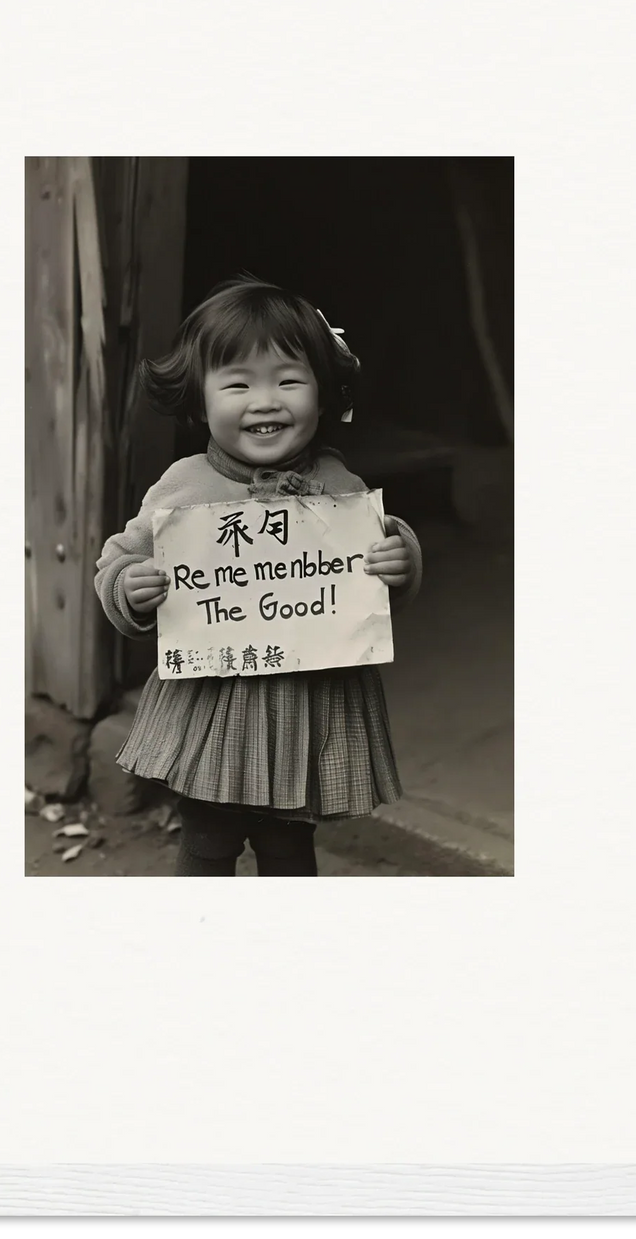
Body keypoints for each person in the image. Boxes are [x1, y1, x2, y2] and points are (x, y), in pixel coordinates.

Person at [94, 273, 424, 876]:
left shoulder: (340, 488)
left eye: (289, 381)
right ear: (199, 400)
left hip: (308, 708)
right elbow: (118, 558)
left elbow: (368, 583)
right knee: (208, 839)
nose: (265, 400)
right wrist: (129, 587)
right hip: (215, 707)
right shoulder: (183, 486)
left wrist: (397, 559)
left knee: (288, 845)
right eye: (238, 383)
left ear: (323, 396)